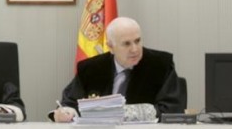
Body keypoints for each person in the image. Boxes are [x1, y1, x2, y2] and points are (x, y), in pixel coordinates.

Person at [50, 17, 184, 122]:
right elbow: (69, 103)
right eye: (126, 43)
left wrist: (117, 113)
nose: (135, 49)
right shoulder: (90, 69)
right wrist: (65, 113)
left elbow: (172, 109)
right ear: (110, 47)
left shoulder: (161, 64)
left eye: (137, 41)